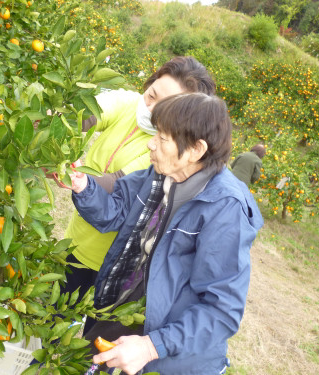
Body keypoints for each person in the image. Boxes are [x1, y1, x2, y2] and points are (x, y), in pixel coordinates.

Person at [66, 93, 263, 375]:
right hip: (126, 316)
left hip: (170, 354)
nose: (151, 143)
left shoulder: (224, 209)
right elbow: (114, 209)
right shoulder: (161, 175)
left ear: (196, 149)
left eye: (162, 138)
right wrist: (84, 187)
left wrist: (151, 347)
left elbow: (222, 311)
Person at [61, 57, 216, 333]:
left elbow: (116, 186)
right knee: (51, 323)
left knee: (88, 345)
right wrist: (53, 126)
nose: (151, 109)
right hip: (76, 245)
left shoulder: (168, 154)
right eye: (151, 95)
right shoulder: (129, 104)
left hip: (117, 269)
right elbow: (90, 112)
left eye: (167, 108)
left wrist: (75, 178)